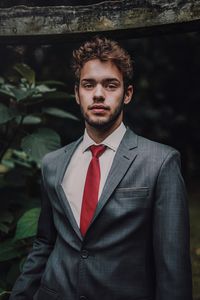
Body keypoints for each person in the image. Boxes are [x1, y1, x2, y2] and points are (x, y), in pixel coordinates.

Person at [10, 36, 193, 300]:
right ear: (77, 93)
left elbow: (172, 267)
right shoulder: (53, 163)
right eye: (88, 84)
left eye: (110, 85)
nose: (98, 94)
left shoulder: (161, 162)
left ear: (127, 93)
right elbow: (45, 243)